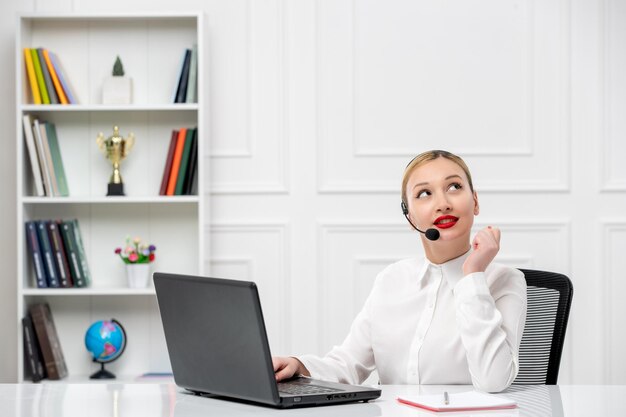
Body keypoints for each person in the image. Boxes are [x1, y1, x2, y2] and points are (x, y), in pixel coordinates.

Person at [273, 150, 527, 393]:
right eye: (425, 193)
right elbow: (348, 364)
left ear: (475, 201)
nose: (442, 203)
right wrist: (298, 365)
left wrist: (473, 275)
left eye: (454, 187)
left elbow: (494, 380)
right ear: (410, 217)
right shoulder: (391, 279)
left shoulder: (504, 280)